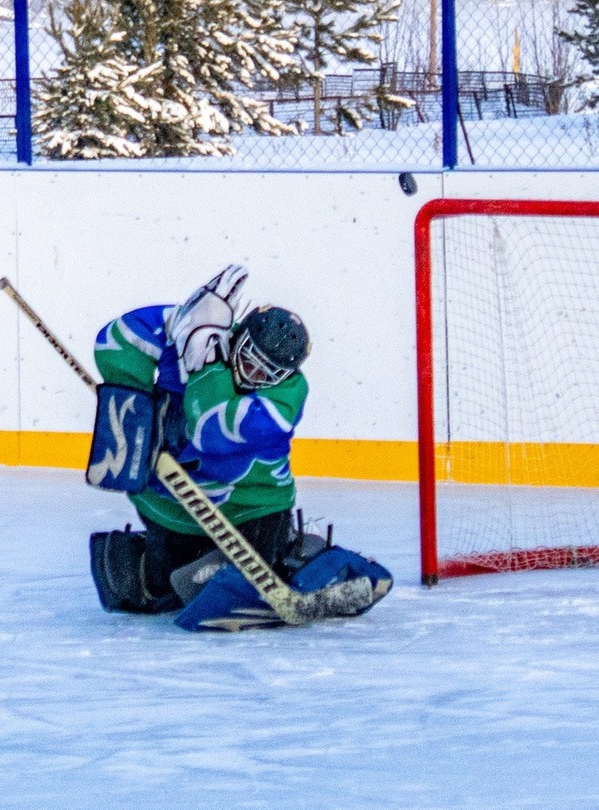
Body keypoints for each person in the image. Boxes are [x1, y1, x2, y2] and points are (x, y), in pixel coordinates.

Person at [87, 264, 380, 619]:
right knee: (163, 590)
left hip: (250, 510)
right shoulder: (196, 334)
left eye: (267, 373)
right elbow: (113, 341)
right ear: (238, 337)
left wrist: (204, 363)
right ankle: (187, 568)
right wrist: (176, 330)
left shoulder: (286, 397)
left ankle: (291, 550)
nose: (253, 375)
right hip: (169, 506)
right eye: (248, 360)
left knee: (246, 577)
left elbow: (209, 430)